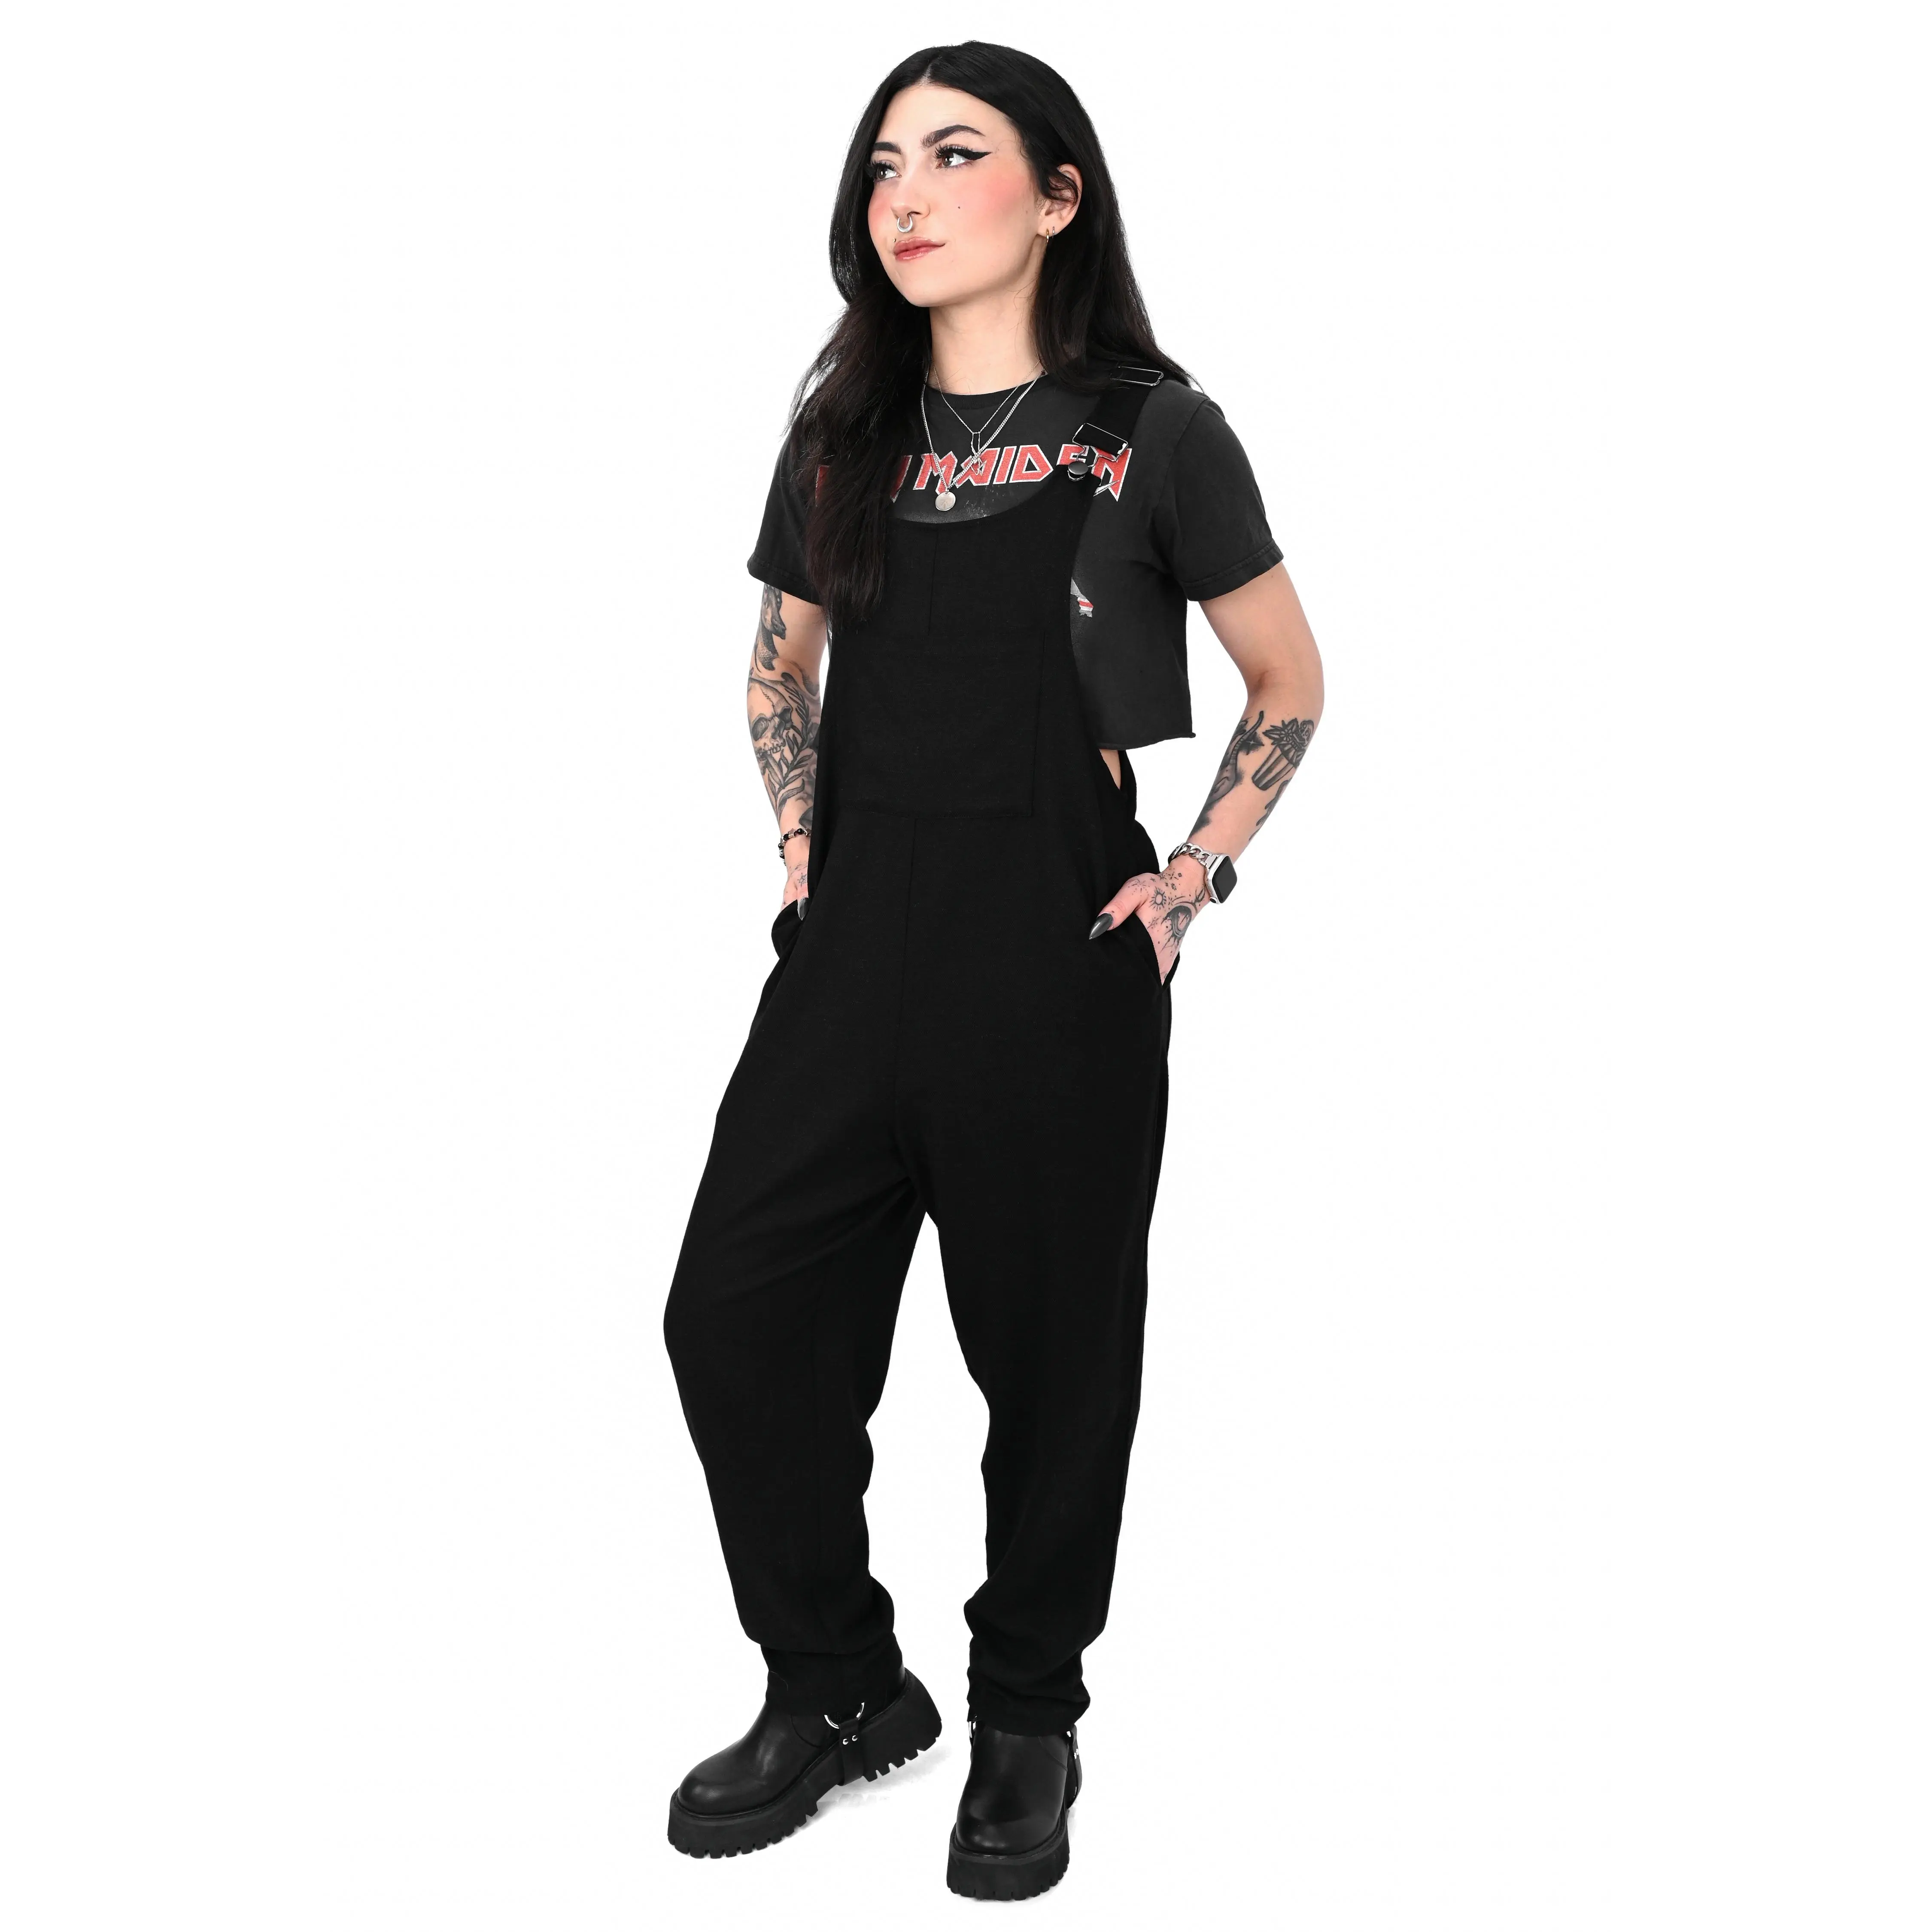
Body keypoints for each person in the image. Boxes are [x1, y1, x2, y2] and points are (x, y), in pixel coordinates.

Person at [662, 40, 1324, 1902]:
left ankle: (1028, 1711)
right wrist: (802, 837)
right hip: (851, 952)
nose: (906, 195)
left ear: (1057, 195)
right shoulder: (843, 433)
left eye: (954, 155)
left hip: (1055, 959)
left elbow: (1290, 676)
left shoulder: (1152, 431)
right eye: (883, 163)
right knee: (732, 1317)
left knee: (1053, 1367)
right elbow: (776, 666)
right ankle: (837, 1680)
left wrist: (1190, 879)